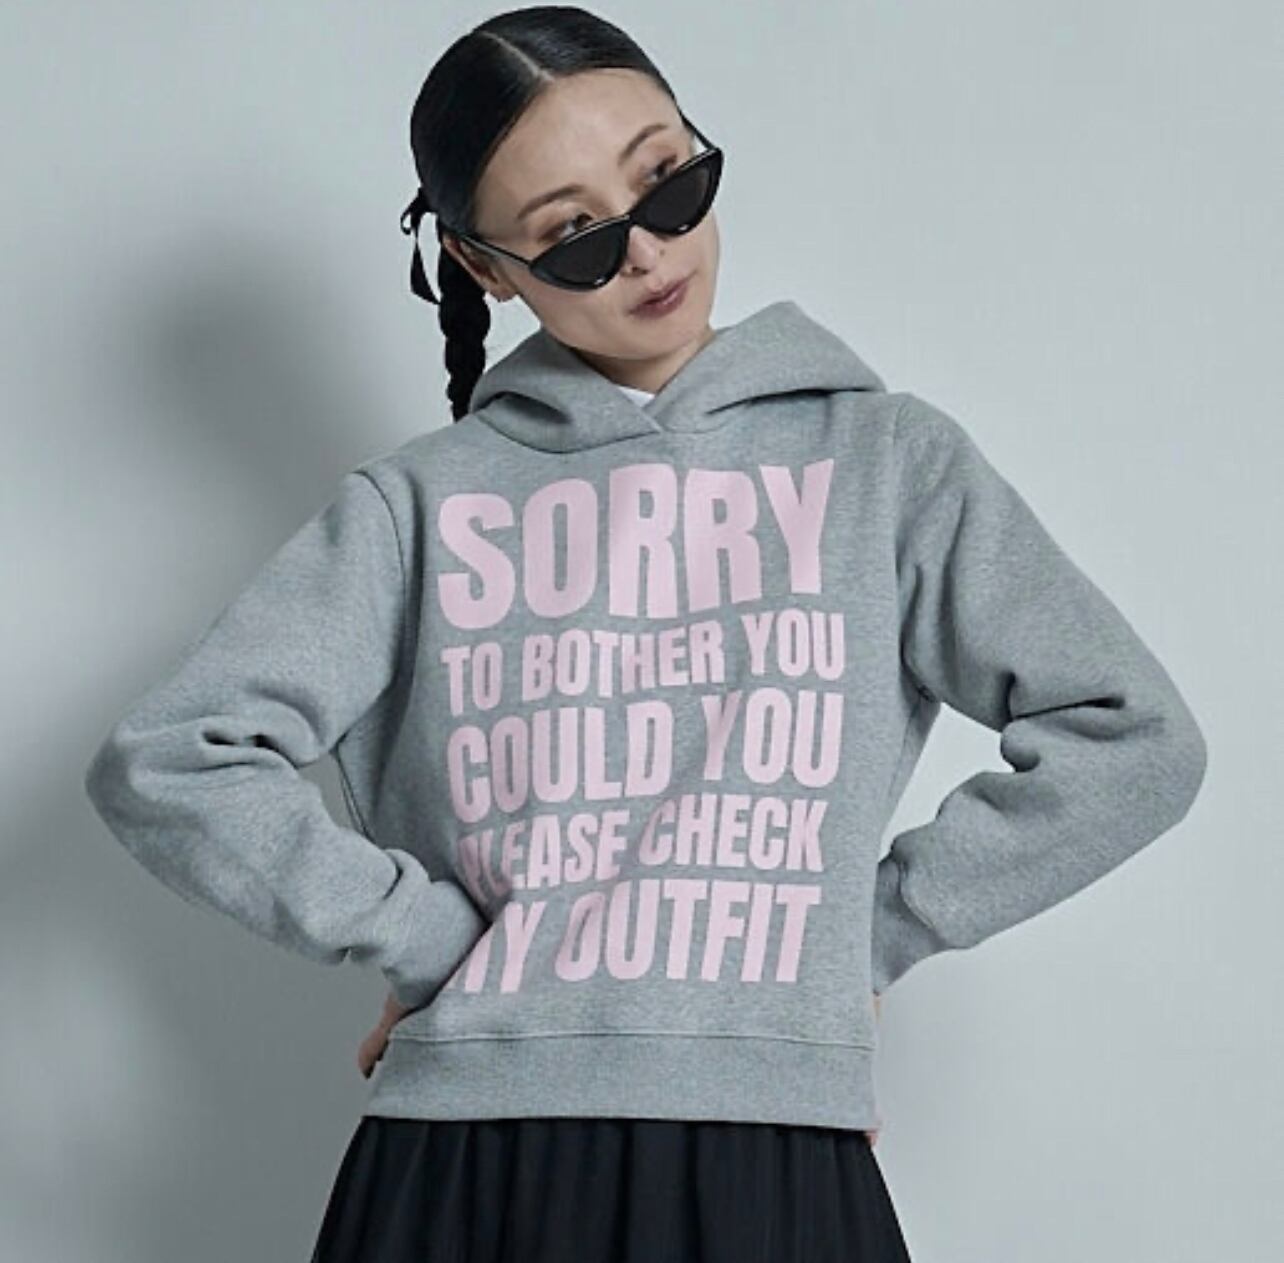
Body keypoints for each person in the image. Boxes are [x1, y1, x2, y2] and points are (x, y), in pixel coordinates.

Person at [82, 5, 1208, 1261]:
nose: (648, 253)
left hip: (768, 1145)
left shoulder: (886, 462)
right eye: (574, 237)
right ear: (483, 268)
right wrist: (428, 940)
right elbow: (172, 760)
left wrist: (859, 941)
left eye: (669, 182)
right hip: (468, 1156)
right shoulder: (417, 508)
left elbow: (1134, 737)